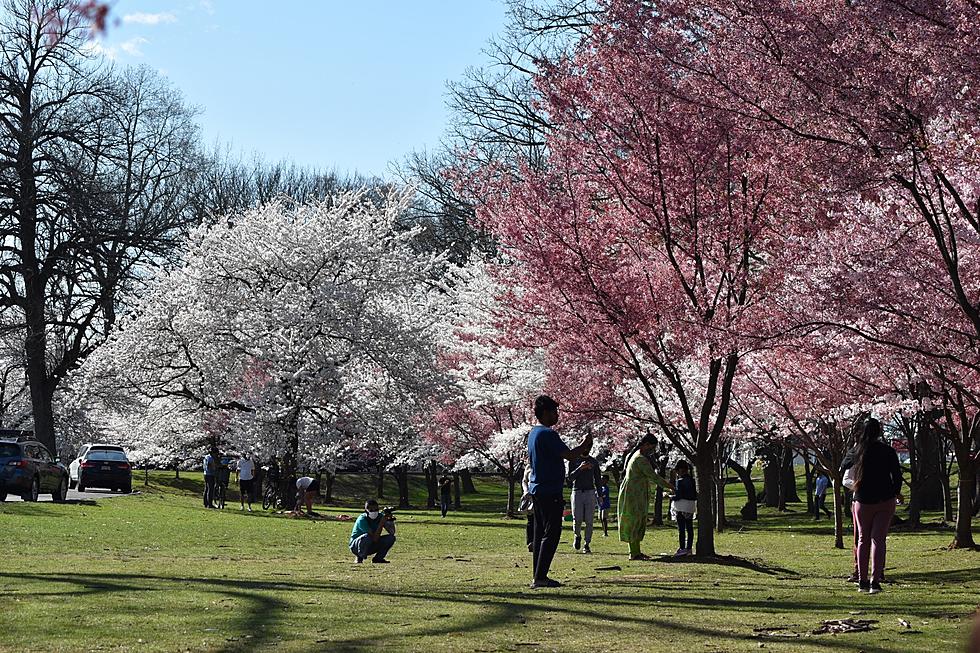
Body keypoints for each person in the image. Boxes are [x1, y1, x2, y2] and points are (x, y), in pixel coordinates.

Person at [526, 395, 593, 589]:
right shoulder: (547, 434)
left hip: (537, 489)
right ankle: (540, 577)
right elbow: (569, 455)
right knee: (551, 533)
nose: (557, 415)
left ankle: (537, 576)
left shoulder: (534, 433)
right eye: (554, 411)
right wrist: (584, 444)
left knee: (540, 534)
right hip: (549, 490)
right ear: (545, 413)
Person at [840, 417, 903, 594]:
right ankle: (875, 582)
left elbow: (843, 465)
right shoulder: (888, 451)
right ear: (880, 432)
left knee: (862, 539)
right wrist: (896, 492)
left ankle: (862, 581)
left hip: (862, 499)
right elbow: (897, 475)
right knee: (878, 540)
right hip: (885, 499)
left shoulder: (857, 450)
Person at [618, 434, 672, 560]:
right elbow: (653, 476)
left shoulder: (636, 455)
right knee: (634, 521)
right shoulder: (640, 459)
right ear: (646, 444)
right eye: (651, 447)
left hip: (636, 493)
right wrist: (670, 486)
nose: (652, 450)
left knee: (637, 521)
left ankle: (636, 551)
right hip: (634, 494)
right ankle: (634, 553)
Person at [567, 452, 601, 553]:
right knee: (577, 519)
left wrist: (600, 495)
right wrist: (580, 468)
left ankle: (587, 543)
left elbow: (598, 479)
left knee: (589, 520)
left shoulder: (594, 462)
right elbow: (570, 478)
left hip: (590, 492)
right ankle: (577, 535)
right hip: (577, 491)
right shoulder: (574, 460)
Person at [671, 460, 697, 556]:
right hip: (691, 506)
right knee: (689, 528)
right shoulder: (693, 480)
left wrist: (670, 496)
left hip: (681, 506)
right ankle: (689, 548)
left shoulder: (680, 481)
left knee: (681, 529)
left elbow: (678, 496)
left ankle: (682, 548)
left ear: (680, 470)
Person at [519, 461, 534, 552]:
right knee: (531, 520)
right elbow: (524, 481)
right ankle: (530, 542)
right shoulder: (529, 466)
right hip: (530, 496)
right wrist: (525, 491)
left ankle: (538, 541)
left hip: (540, 495)